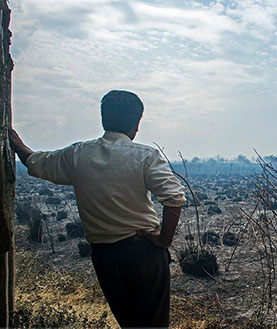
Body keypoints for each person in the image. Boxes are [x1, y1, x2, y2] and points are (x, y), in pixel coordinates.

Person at [9, 90, 186, 328]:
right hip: (142, 253)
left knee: (128, 322)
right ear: (136, 124)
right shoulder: (145, 156)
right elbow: (174, 197)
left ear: (104, 119)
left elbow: (36, 163)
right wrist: (164, 240)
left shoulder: (78, 154)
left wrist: (14, 141)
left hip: (105, 257)